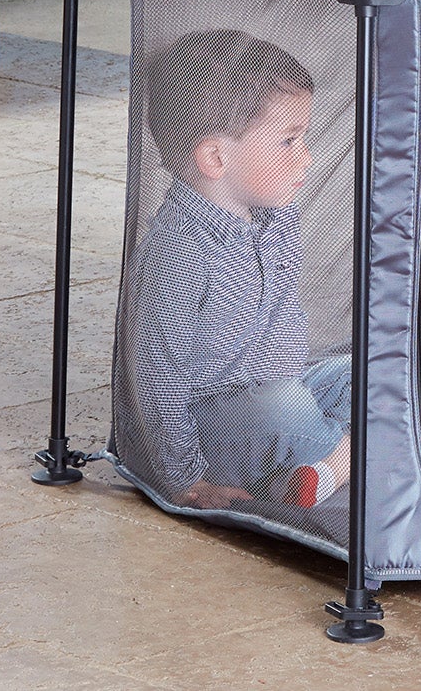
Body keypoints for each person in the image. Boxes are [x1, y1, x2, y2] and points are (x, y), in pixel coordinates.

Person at [130, 29, 350, 512]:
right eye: (289, 141)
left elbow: (282, 326)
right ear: (216, 158)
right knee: (285, 412)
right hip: (210, 421)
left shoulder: (275, 215)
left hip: (279, 387)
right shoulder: (179, 252)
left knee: (367, 375)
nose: (307, 158)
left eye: (303, 139)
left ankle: (326, 462)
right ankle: (343, 458)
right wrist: (183, 478)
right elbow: (157, 379)